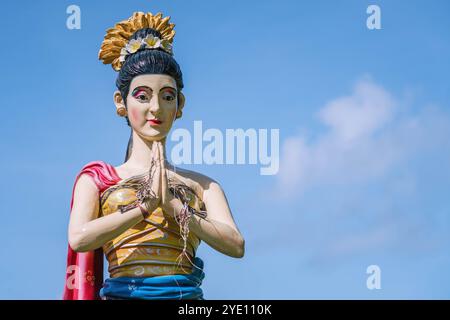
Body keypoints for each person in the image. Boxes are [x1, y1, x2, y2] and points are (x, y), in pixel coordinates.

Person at [63, 11, 245, 300]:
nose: (156, 108)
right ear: (121, 102)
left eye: (167, 96)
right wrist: (142, 209)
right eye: (143, 96)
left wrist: (177, 209)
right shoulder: (99, 180)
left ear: (180, 104)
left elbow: (236, 245)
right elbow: (79, 237)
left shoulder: (203, 186)